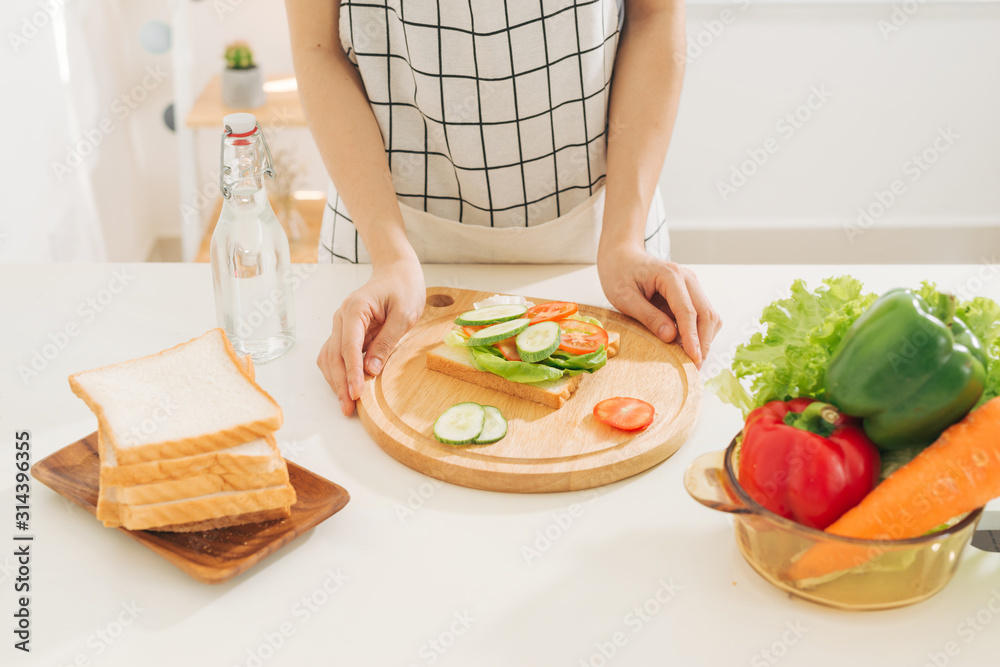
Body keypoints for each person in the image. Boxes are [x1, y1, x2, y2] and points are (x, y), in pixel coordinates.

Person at [286, 0, 721, 416]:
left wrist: (625, 241)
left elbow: (655, 15)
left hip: (606, 233)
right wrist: (389, 255)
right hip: (385, 244)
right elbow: (316, 47)